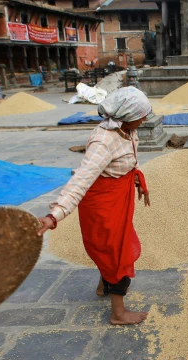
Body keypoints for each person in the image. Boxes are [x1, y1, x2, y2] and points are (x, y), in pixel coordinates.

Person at [38, 87, 152, 325]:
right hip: (103, 204)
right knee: (116, 251)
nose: (145, 120)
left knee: (113, 245)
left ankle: (104, 286)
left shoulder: (126, 130)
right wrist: (54, 216)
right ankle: (118, 313)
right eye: (142, 116)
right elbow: (80, 181)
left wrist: (136, 179)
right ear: (128, 117)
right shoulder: (103, 141)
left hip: (119, 198)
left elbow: (128, 159)